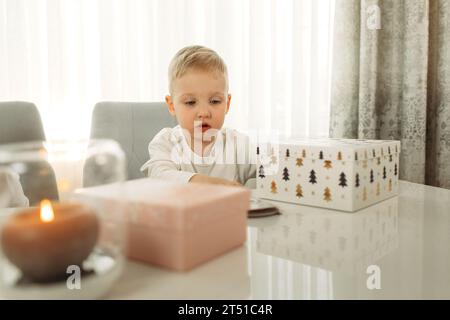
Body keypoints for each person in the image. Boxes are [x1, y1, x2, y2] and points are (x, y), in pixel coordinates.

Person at [141, 45, 256, 187]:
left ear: (227, 103)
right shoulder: (166, 142)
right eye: (190, 102)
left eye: (215, 101)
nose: (203, 113)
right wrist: (210, 184)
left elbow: (272, 171)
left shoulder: (238, 144)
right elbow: (159, 175)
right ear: (171, 105)